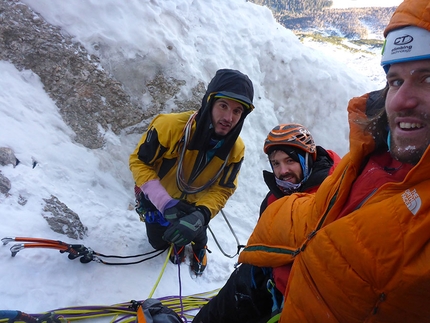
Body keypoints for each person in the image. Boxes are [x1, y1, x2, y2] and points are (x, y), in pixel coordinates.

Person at [238, 0, 430, 321]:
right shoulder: (367, 155)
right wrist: (265, 230)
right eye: (395, 80)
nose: (401, 99)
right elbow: (314, 219)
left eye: (427, 77)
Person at [192, 123, 341, 322]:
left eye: (290, 160)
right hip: (271, 283)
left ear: (308, 158)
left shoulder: (332, 192)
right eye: (276, 163)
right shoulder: (274, 199)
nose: (283, 171)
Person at [129, 69, 254, 275]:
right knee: (158, 244)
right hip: (162, 200)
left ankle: (199, 243)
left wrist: (202, 214)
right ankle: (180, 238)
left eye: (237, 111)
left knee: (195, 226)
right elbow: (139, 162)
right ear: (209, 103)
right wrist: (164, 202)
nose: (228, 117)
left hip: (196, 205)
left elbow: (223, 189)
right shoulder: (169, 127)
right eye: (223, 106)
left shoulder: (235, 150)